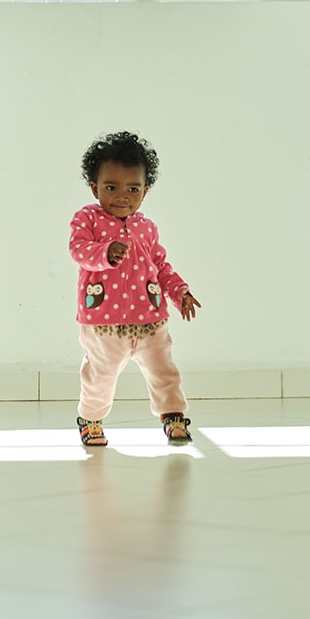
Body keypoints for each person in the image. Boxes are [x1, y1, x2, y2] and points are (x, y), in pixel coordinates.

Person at [69, 131, 200, 447]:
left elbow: (160, 265)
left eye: (133, 188)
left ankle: (173, 417)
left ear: (146, 190)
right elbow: (78, 249)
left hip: (150, 319)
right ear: (94, 187)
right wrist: (106, 252)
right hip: (102, 322)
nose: (122, 196)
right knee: (100, 377)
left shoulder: (147, 227)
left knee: (164, 371)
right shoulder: (87, 218)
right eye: (111, 188)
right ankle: (90, 419)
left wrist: (179, 292)